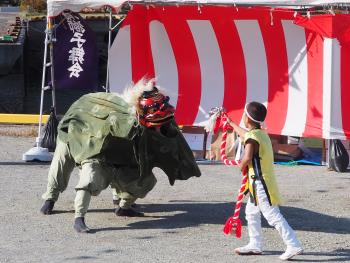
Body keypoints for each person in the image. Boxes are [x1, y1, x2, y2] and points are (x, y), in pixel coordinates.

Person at [40, 78, 201, 233]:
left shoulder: (157, 121)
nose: (160, 128)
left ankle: (123, 207)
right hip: (82, 132)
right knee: (84, 174)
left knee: (144, 179)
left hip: (115, 148)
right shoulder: (122, 122)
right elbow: (100, 145)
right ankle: (62, 206)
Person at [226, 102, 303, 261]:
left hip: (261, 184)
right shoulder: (260, 134)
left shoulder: (253, 138)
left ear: (247, 118)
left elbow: (247, 157)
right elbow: (245, 134)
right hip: (258, 183)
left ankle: (293, 244)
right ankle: (255, 244)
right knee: (251, 212)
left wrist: (240, 166)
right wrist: (231, 123)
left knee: (272, 215)